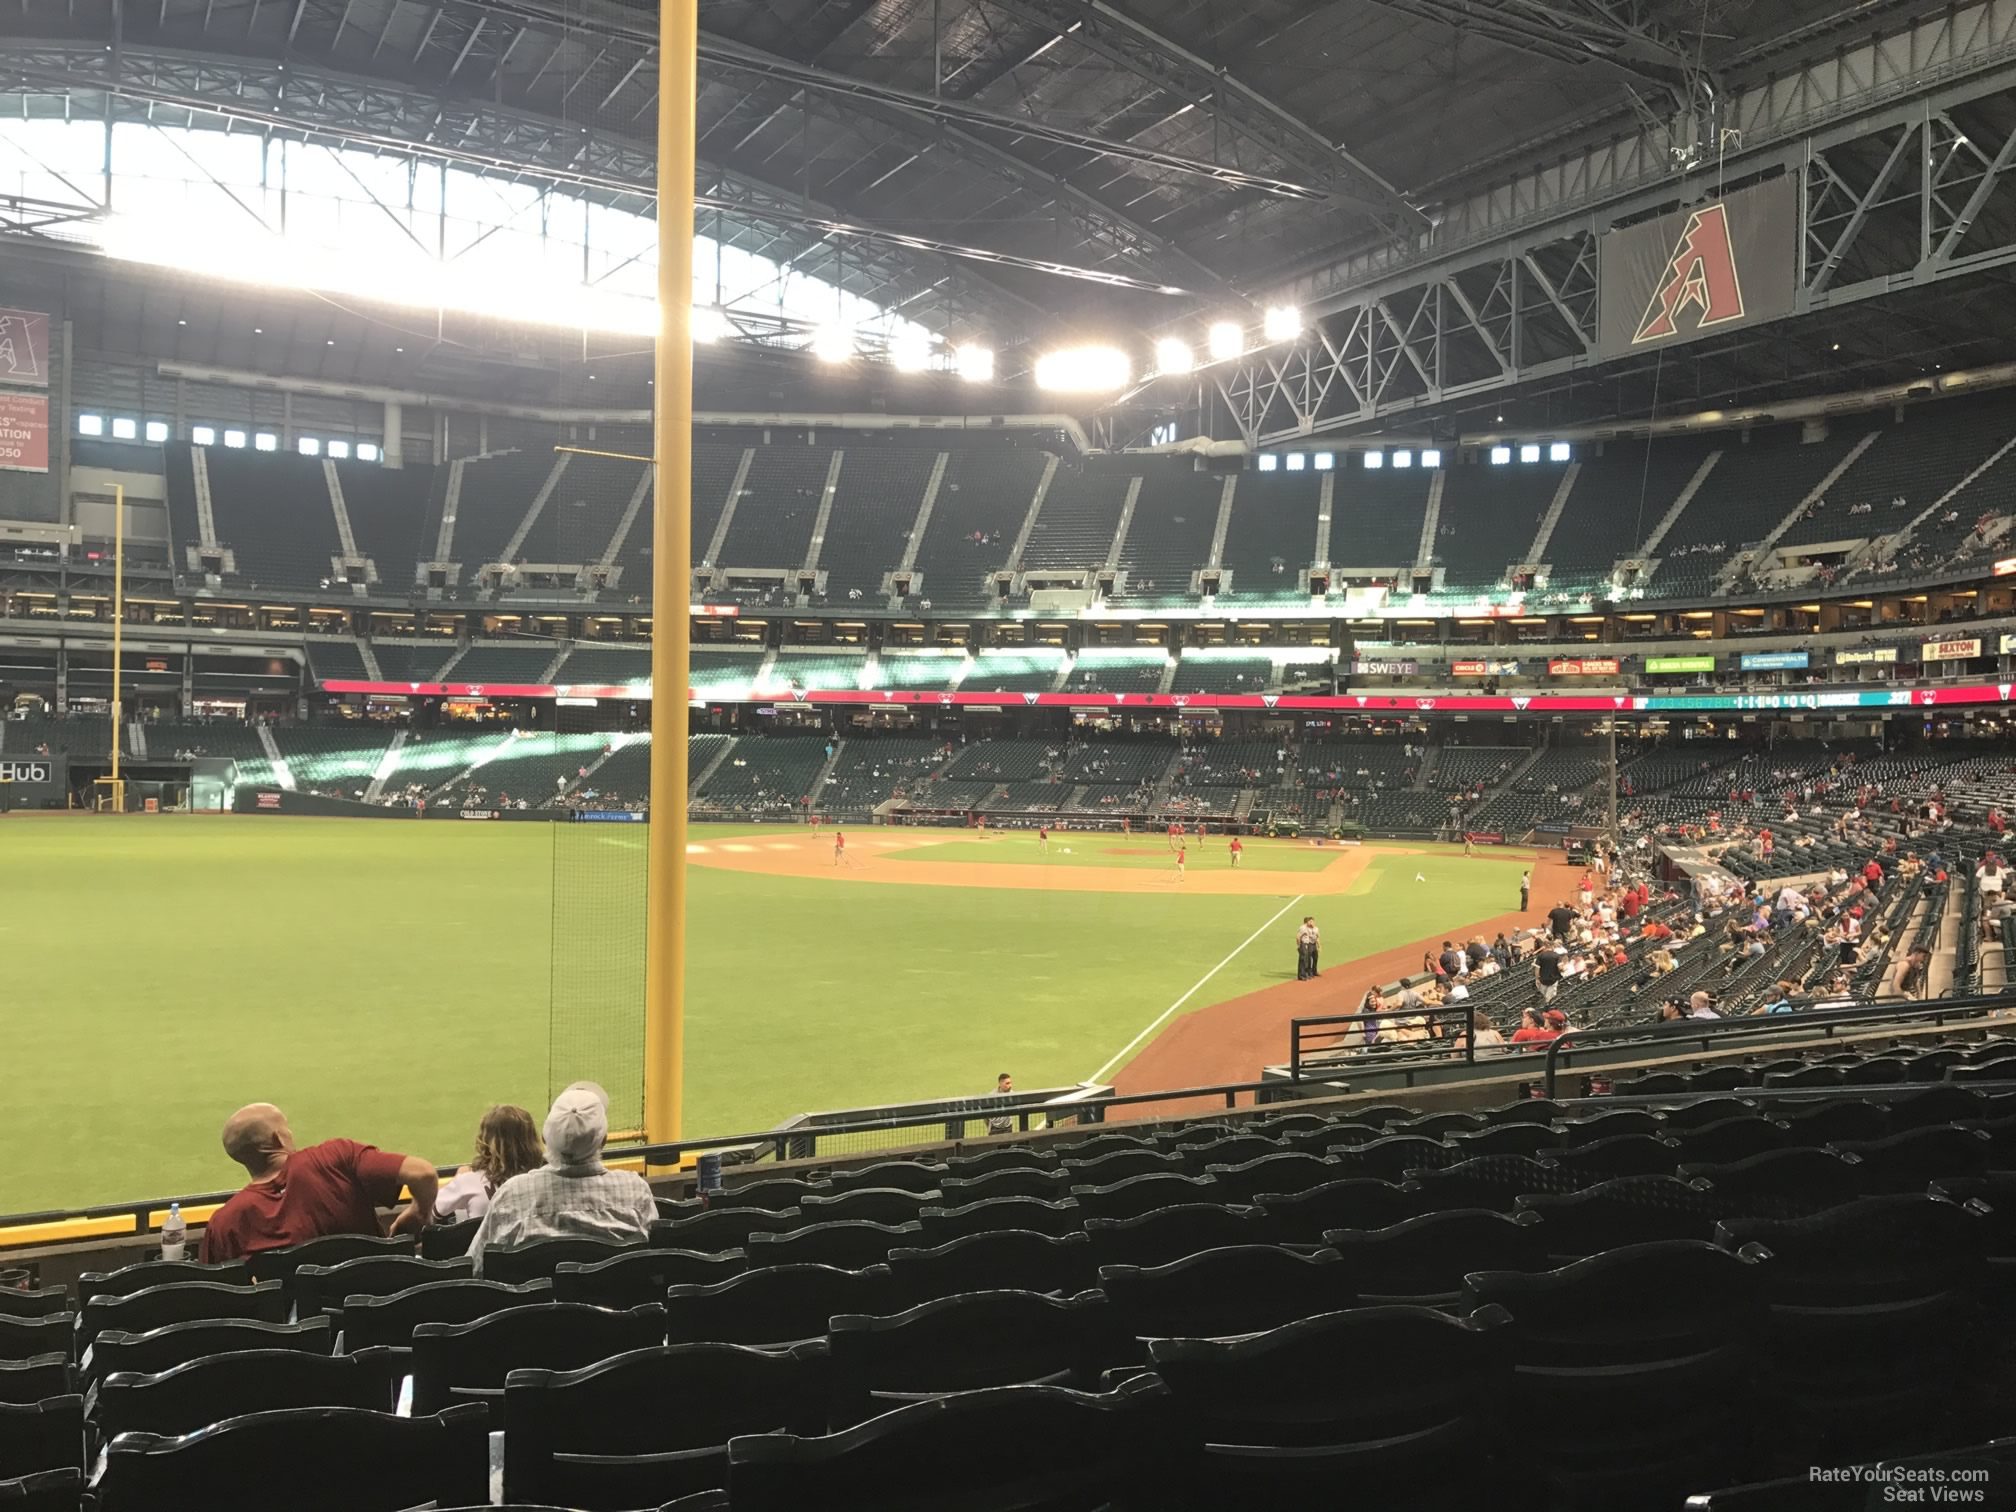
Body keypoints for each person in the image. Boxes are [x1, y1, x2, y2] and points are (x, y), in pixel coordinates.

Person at [201, 1104, 439, 1262]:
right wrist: (418, 1213)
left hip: (299, 1331)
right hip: (379, 1304)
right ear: (279, 1138)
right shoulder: (335, 1156)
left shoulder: (224, 1224)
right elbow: (423, 1174)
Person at [467, 1082, 656, 1275]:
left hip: (535, 1305)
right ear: (604, 1141)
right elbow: (654, 1260)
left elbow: (474, 1268)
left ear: (544, 1139)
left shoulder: (511, 1195)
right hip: (617, 1303)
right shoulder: (635, 1192)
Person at [435, 1105, 544, 1221]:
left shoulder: (468, 1181)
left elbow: (429, 1212)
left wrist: (457, 1179)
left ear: (486, 1140)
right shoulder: (546, 1180)